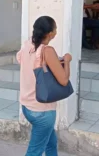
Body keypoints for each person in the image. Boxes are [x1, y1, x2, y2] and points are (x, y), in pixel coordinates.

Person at [17, 16, 72, 156]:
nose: (56, 31)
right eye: (55, 29)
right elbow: (64, 80)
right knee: (34, 151)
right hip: (42, 110)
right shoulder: (47, 51)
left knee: (51, 143)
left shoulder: (27, 44)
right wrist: (67, 61)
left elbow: (21, 59)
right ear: (50, 34)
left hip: (27, 106)